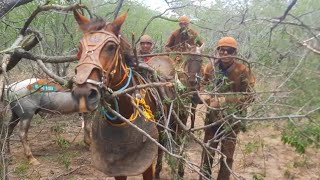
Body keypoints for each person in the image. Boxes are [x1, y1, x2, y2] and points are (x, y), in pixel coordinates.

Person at [200, 36, 256, 180]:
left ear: (234, 53)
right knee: (207, 151)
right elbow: (203, 87)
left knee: (227, 156)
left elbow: (250, 96)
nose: (225, 53)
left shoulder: (243, 70)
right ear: (218, 51)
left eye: (229, 50)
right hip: (212, 118)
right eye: (222, 50)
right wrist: (205, 96)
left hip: (232, 121)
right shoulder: (210, 68)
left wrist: (225, 100)